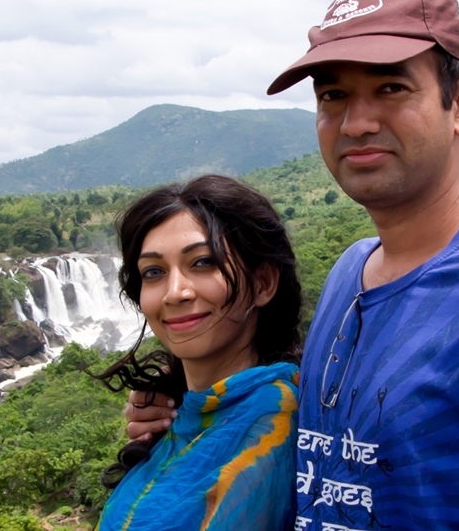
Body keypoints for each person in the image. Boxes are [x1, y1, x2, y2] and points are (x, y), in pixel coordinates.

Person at [126, 0, 459, 530]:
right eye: (333, 95)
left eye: (391, 88)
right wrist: (179, 413)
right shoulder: (353, 270)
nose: (357, 123)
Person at [93, 174, 302, 531]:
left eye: (203, 262)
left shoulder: (273, 418)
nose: (175, 292)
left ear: (263, 284)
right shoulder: (186, 415)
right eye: (154, 271)